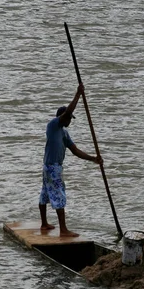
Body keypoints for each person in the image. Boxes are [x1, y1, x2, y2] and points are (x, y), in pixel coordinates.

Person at [39, 84, 102, 237]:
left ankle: (44, 223)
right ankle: (63, 230)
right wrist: (78, 94)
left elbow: (75, 150)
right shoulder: (53, 125)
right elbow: (68, 112)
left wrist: (93, 159)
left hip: (51, 167)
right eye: (69, 118)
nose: (70, 121)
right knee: (59, 195)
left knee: (45, 194)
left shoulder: (64, 134)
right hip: (52, 168)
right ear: (62, 117)